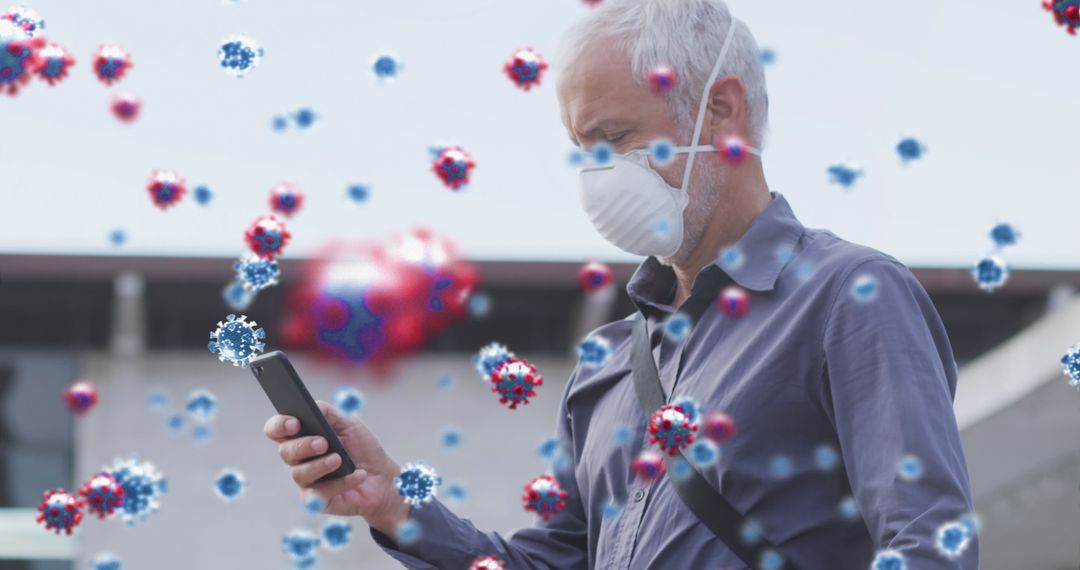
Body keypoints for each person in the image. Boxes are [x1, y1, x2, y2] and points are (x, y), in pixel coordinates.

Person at [263, 0, 978, 567]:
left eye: (617, 139)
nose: (600, 176)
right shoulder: (607, 364)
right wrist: (394, 506)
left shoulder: (849, 297)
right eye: (584, 150)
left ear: (722, 111)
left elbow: (927, 546)